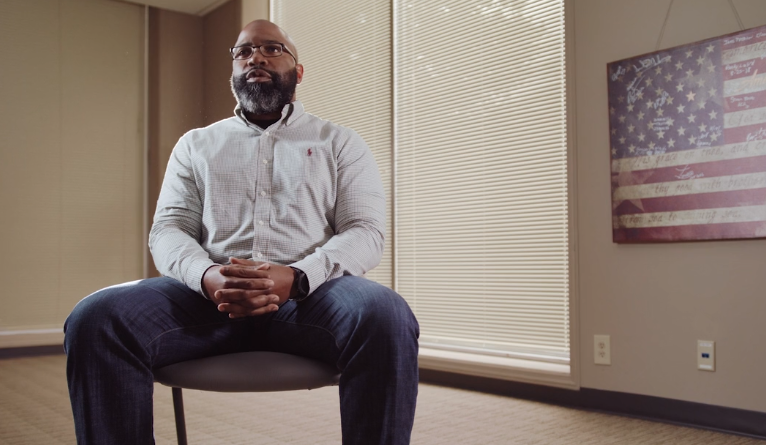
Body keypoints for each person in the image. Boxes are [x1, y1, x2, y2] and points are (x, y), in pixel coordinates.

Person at [64, 19, 419, 445]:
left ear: (298, 71)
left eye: (272, 48)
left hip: (312, 298)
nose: (256, 57)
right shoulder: (196, 144)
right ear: (233, 71)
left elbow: (364, 231)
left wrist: (297, 276)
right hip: (207, 298)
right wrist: (207, 277)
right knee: (96, 318)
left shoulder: (339, 142)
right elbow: (169, 229)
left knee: (385, 315)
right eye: (244, 51)